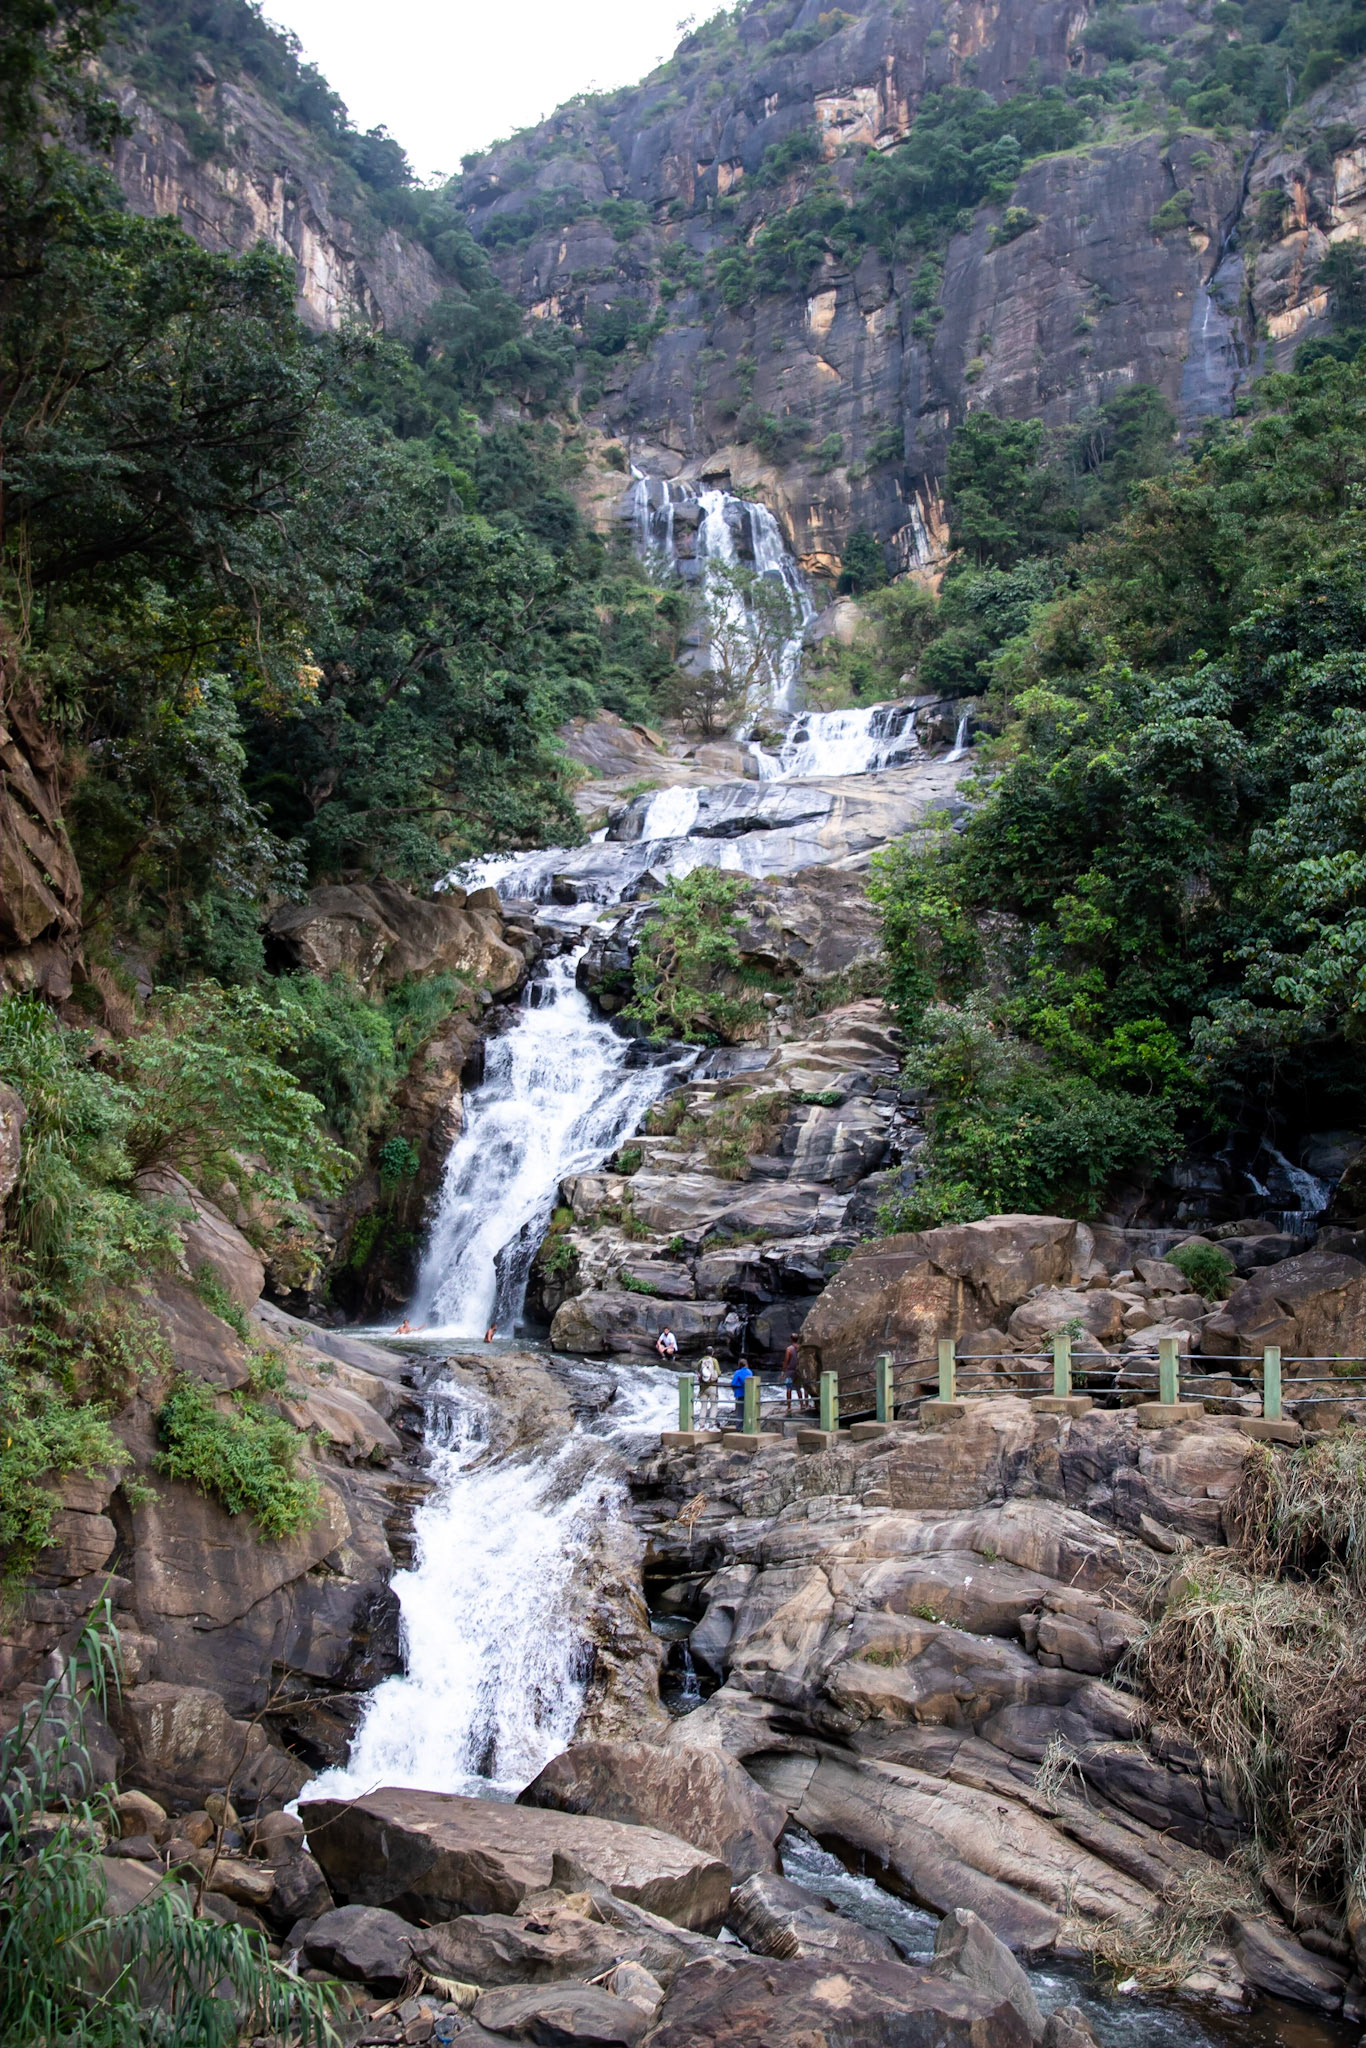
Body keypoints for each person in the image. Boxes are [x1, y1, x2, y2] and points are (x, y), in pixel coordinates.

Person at [697, 1352, 720, 1428]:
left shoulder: (700, 1361)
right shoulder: (714, 1361)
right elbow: (718, 1373)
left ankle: (701, 1425)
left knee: (703, 1406)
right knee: (714, 1405)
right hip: (713, 1386)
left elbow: (698, 1372)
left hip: (703, 1387)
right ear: (713, 1352)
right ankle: (712, 1424)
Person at [731, 1356, 754, 1426]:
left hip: (739, 1393)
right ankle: (747, 1425)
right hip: (748, 1393)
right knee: (747, 1410)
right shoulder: (750, 1371)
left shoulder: (737, 1372)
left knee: (739, 1411)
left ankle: (739, 1427)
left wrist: (734, 1389)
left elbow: (733, 1383)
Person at [781, 1339, 801, 1413]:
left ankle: (789, 1407)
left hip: (790, 1371)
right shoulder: (800, 1348)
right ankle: (802, 1405)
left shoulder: (789, 1349)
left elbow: (786, 1361)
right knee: (798, 1388)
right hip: (798, 1370)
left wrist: (783, 1371)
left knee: (788, 1388)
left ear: (791, 1339)